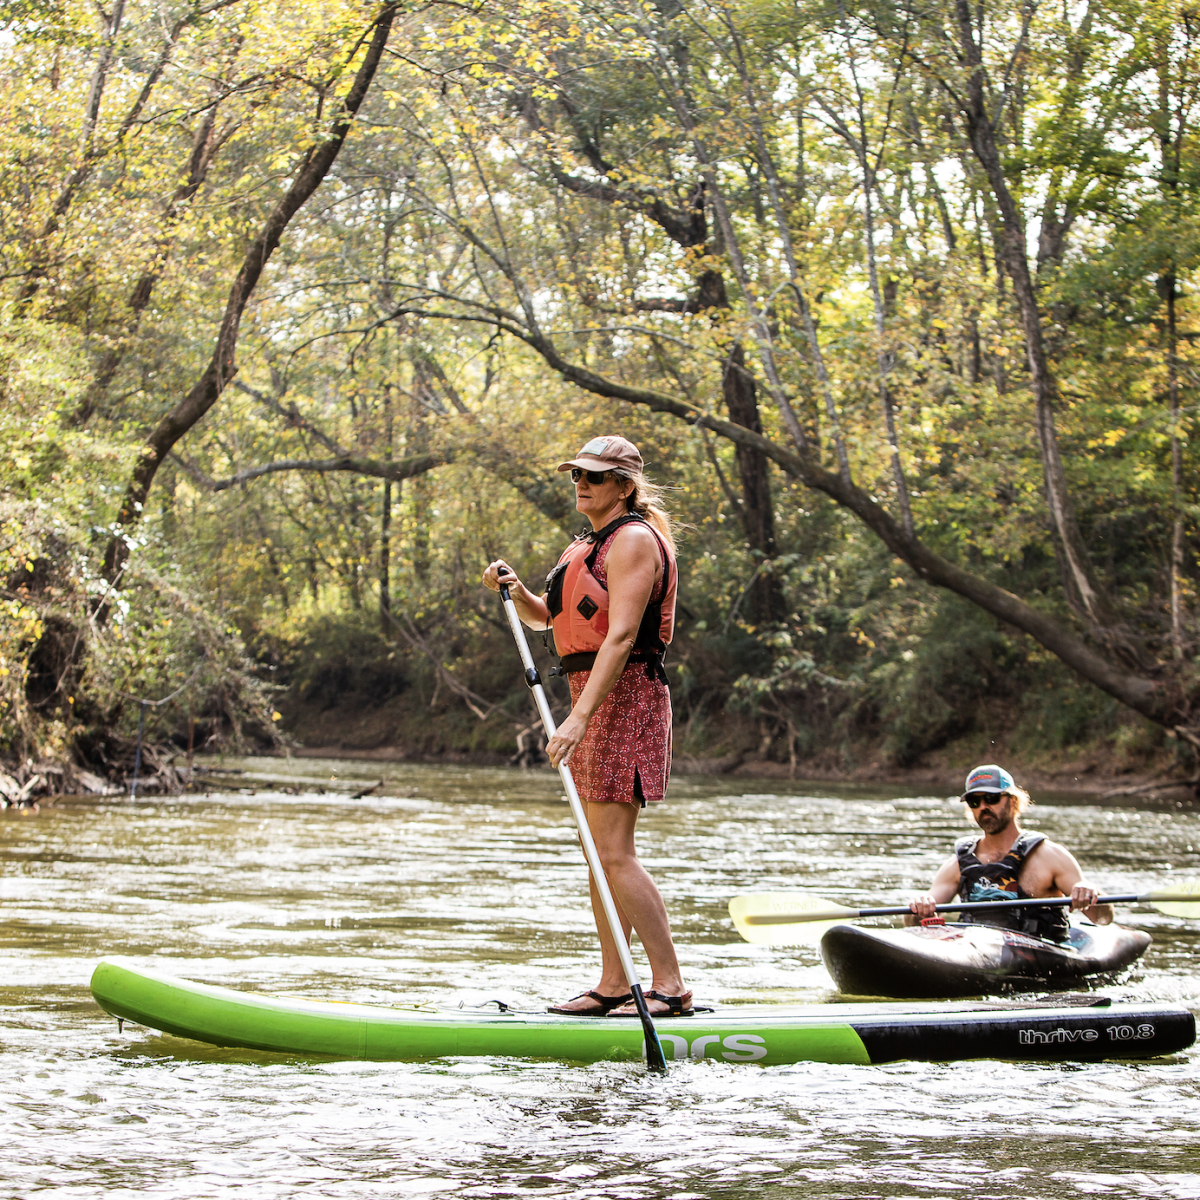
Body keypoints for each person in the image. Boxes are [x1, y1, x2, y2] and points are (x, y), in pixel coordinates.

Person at [481, 435, 692, 1017]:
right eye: (577, 474)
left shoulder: (631, 541)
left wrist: (577, 718)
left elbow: (622, 637)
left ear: (624, 486)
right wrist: (517, 590)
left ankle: (669, 985)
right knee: (596, 851)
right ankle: (614, 982)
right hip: (593, 694)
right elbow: (548, 619)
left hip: (625, 697)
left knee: (614, 852)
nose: (582, 484)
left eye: (595, 477)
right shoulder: (587, 545)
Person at [907, 764, 1113, 939]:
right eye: (975, 802)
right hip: (978, 952)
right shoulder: (958, 864)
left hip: (1040, 956)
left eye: (991, 798)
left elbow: (1102, 918)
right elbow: (912, 922)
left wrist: (1089, 892)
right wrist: (919, 906)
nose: (983, 807)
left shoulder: (1051, 857)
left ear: (1013, 802)